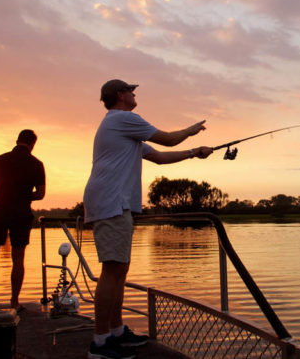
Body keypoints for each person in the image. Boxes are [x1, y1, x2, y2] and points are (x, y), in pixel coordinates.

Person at [84, 79, 213, 359]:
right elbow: (167, 138)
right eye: (131, 90)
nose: (134, 94)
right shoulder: (123, 119)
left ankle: (116, 333)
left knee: (120, 270)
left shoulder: (124, 131)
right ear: (120, 95)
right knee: (112, 269)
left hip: (116, 204)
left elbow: (160, 157)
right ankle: (100, 342)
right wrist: (192, 130)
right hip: (110, 202)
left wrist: (193, 152)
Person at [0, 129, 46, 310]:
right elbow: (40, 194)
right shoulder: (36, 164)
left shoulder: (0, 160)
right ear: (33, 144)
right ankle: (14, 302)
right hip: (21, 214)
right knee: (18, 259)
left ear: (17, 140)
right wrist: (23, 195)